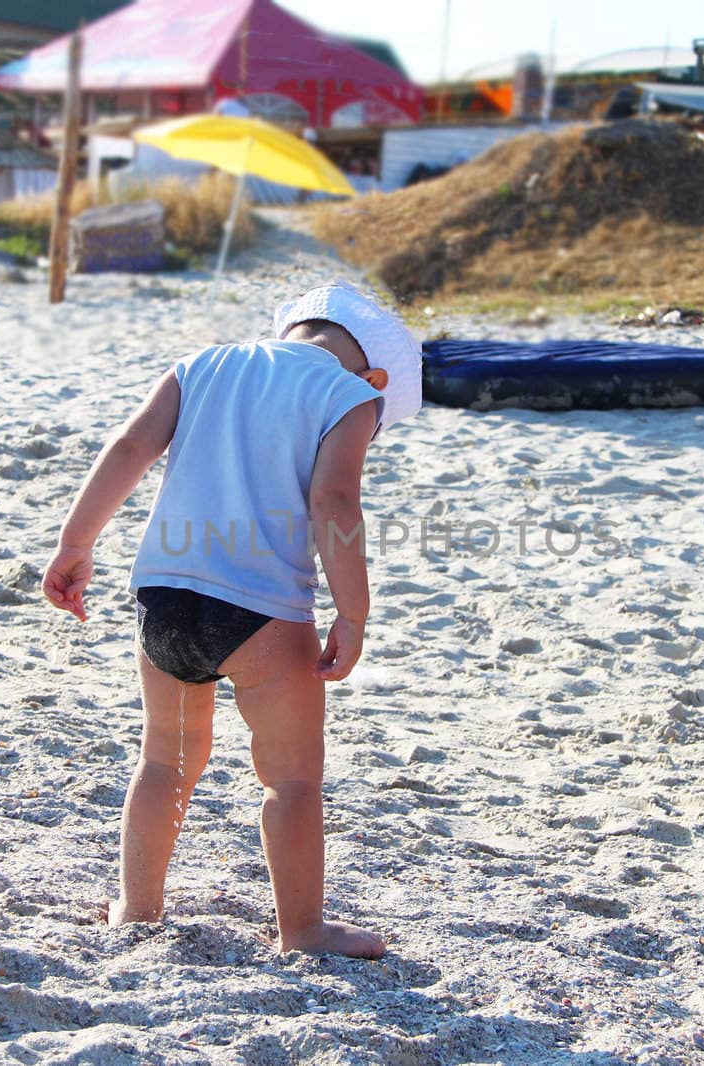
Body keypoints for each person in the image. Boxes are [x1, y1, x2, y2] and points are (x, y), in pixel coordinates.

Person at [41, 282, 421, 958]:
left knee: (165, 760)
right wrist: (353, 614)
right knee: (291, 779)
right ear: (378, 377)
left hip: (164, 597)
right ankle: (302, 930)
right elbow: (334, 502)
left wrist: (76, 545)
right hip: (263, 610)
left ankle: (136, 907)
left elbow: (130, 449)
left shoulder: (203, 363)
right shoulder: (352, 397)